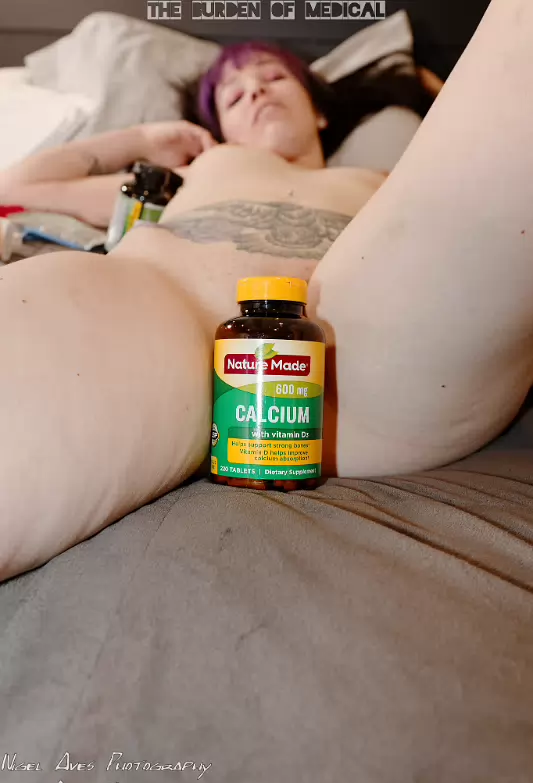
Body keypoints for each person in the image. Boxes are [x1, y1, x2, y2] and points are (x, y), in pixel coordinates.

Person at [1, 0, 531, 581]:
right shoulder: (194, 173)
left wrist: (426, 89)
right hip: (160, 313)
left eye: (274, 77)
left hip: (365, 340)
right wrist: (143, 137)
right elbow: (18, 186)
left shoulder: (385, 179)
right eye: (233, 96)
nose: (254, 90)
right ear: (219, 129)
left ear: (320, 112)